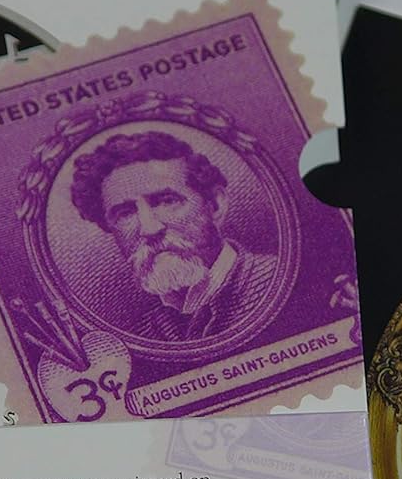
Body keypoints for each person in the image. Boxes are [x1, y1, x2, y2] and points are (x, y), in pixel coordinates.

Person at [69, 130, 278, 343]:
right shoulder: (140, 336)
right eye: (125, 213)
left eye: (166, 201)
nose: (150, 229)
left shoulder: (277, 283)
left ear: (216, 205)